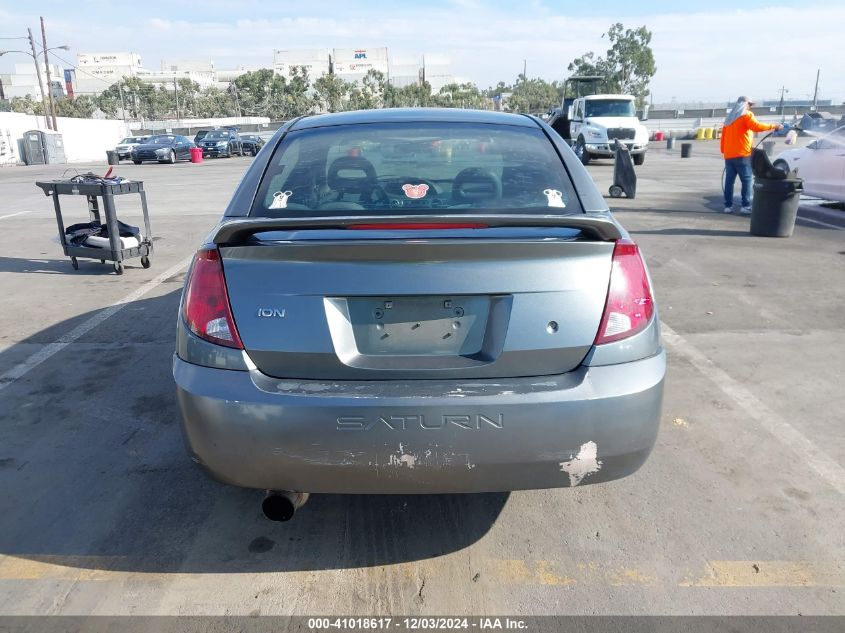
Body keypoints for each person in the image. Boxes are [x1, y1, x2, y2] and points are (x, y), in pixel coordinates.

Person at [720, 96, 782, 214]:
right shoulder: (746, 115)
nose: (750, 107)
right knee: (746, 180)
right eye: (750, 105)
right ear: (746, 104)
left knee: (729, 181)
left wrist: (725, 151)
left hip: (729, 156)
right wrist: (774, 126)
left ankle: (727, 206)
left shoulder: (728, 119)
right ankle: (745, 206)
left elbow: (723, 138)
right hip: (742, 154)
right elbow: (757, 127)